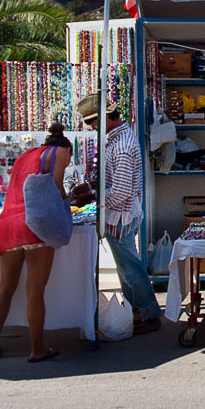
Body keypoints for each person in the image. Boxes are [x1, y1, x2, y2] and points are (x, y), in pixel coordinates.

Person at [0, 123, 73, 362]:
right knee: (35, 290)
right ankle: (37, 348)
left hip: (8, 224)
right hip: (34, 225)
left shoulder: (25, 155)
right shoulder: (60, 152)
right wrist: (69, 201)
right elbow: (56, 186)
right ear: (68, 148)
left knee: (6, 286)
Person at [71, 108, 161, 335]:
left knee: (130, 269)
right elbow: (113, 181)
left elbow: (121, 191)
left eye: (94, 123)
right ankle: (138, 312)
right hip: (120, 214)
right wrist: (92, 187)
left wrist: (92, 196)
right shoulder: (118, 139)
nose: (92, 127)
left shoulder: (121, 146)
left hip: (120, 215)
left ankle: (149, 314)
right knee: (126, 268)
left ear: (109, 118)